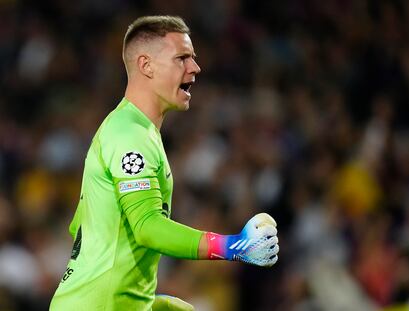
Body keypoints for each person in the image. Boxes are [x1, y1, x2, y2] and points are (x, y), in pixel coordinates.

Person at [49, 15, 279, 311]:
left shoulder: (134, 130)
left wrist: (136, 301)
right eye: (182, 58)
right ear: (146, 65)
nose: (195, 68)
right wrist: (230, 246)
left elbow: (81, 226)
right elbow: (146, 226)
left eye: (193, 59)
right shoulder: (129, 135)